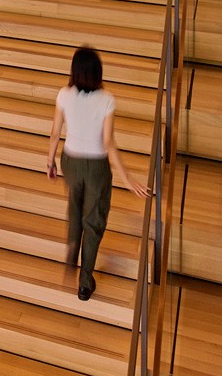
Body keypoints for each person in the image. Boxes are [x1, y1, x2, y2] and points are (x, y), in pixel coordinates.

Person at [43, 47, 149, 302]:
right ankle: (84, 282)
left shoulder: (64, 95)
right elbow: (108, 142)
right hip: (96, 167)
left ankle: (71, 244)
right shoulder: (107, 99)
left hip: (70, 161)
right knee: (94, 221)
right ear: (98, 72)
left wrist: (50, 161)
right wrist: (127, 179)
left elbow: (55, 131)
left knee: (75, 206)